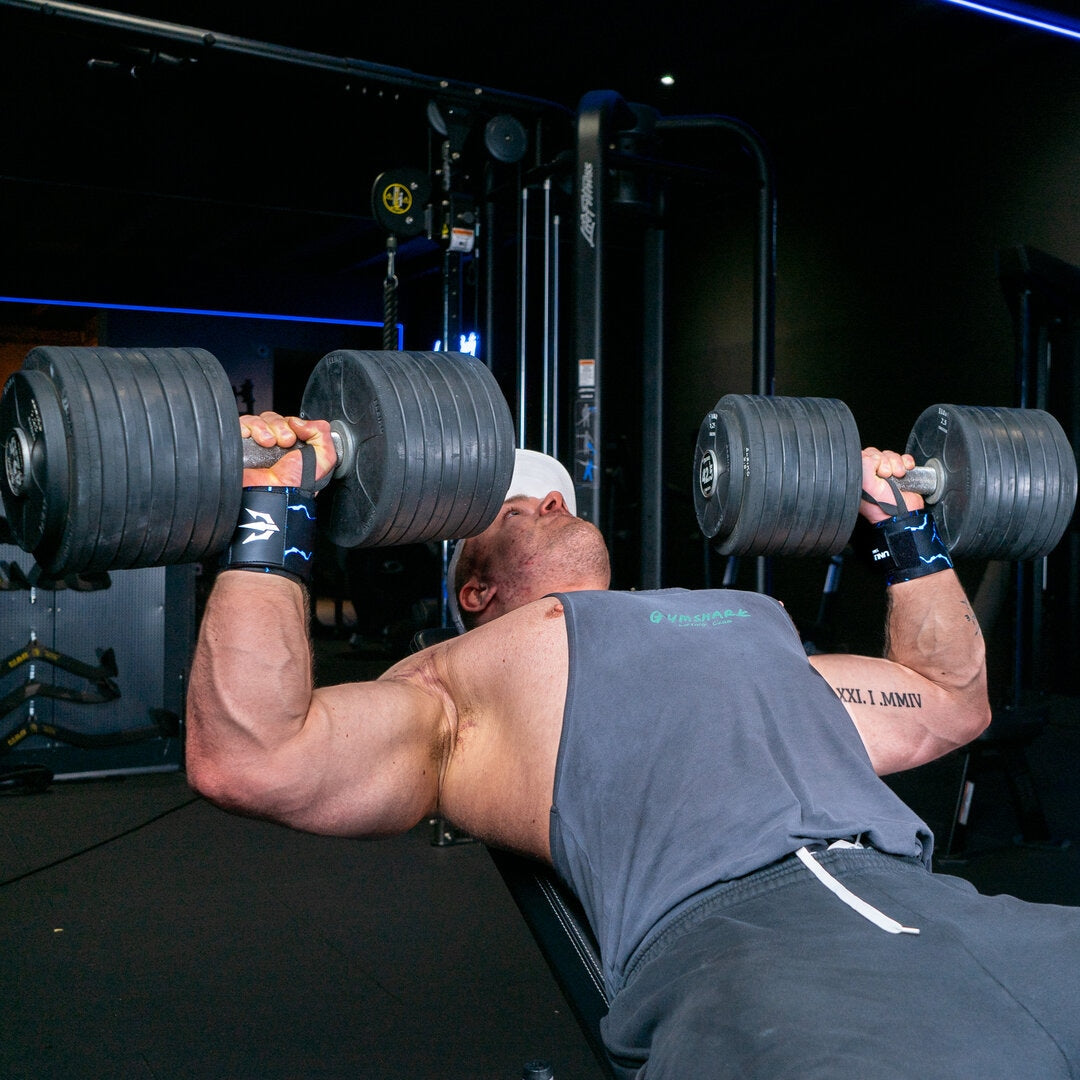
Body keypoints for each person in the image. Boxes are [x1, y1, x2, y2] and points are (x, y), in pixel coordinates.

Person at [187, 411, 1080, 1079]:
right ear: (474, 592)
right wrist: (273, 511)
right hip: (755, 968)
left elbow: (952, 704)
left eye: (554, 494)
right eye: (512, 510)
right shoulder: (455, 684)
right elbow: (255, 752)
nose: (546, 498)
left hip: (955, 912)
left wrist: (905, 531)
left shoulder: (746, 626)